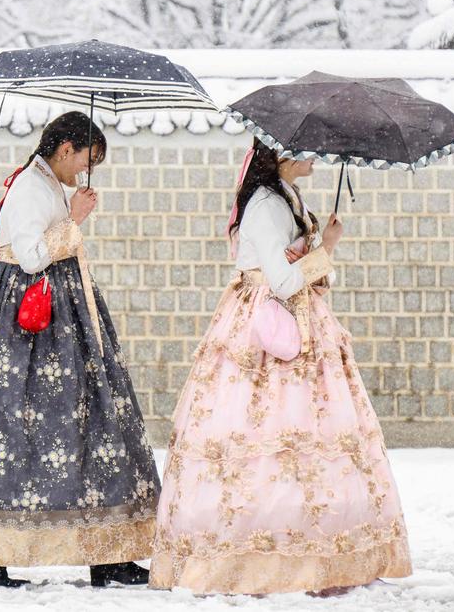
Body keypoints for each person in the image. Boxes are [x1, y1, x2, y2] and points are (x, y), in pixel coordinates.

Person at [0, 111, 159, 588]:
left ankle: (109, 549)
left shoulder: (46, 186)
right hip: (24, 320)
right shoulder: (29, 186)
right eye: (86, 160)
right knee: (9, 423)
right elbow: (29, 256)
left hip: (60, 313)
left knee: (90, 420)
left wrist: (69, 216)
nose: (84, 172)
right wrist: (76, 220)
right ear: (65, 149)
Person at [149, 140, 412, 596]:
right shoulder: (266, 205)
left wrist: (319, 246)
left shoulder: (289, 197)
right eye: (308, 151)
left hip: (297, 319)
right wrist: (321, 251)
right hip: (265, 327)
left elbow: (303, 273)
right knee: (259, 433)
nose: (318, 158)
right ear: (281, 157)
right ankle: (254, 554)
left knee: (307, 437)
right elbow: (284, 279)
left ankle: (311, 546)